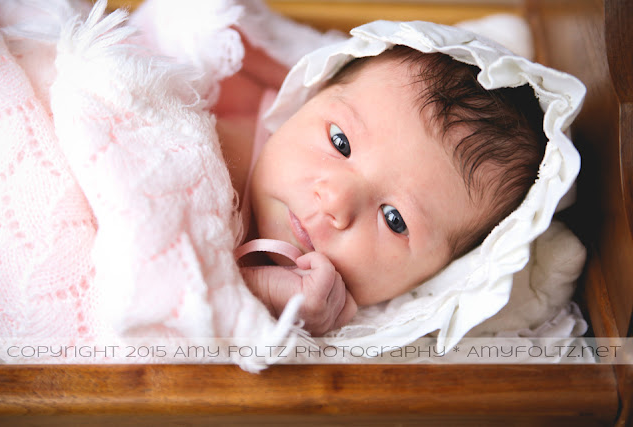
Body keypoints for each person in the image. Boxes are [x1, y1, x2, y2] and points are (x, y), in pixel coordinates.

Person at [215, 41, 546, 336]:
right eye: (340, 142)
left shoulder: (333, 323)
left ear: (432, 278)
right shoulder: (222, 134)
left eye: (394, 219)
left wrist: (264, 299)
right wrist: (255, 290)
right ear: (314, 94)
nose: (335, 202)